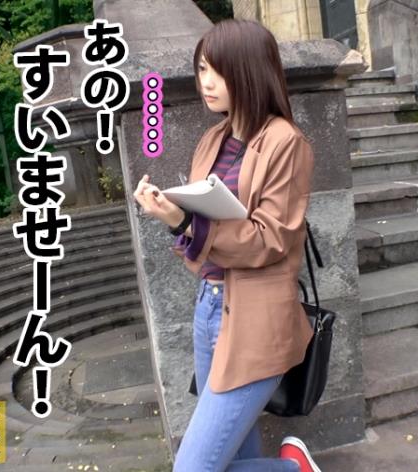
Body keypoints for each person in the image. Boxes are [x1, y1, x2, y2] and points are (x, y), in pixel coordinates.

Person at [133, 19, 322, 472]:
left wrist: (183, 221)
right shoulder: (212, 140)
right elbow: (204, 225)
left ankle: (294, 469)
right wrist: (174, 215)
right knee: (235, 454)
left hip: (257, 319)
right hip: (209, 305)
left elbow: (270, 239)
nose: (206, 81)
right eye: (201, 69)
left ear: (250, 71)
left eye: (218, 71)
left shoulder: (285, 142)